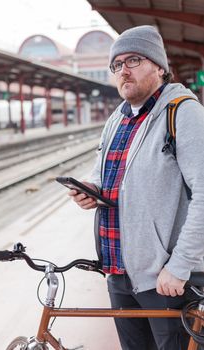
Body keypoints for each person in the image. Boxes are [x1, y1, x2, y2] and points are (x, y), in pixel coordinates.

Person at [69, 25, 204, 350]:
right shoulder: (117, 119)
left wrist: (180, 266)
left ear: (159, 66)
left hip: (165, 279)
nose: (123, 71)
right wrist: (91, 187)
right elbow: (106, 173)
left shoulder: (183, 113)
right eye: (117, 65)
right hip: (118, 271)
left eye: (134, 60)